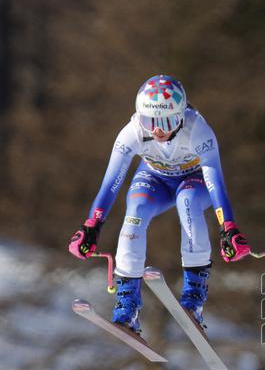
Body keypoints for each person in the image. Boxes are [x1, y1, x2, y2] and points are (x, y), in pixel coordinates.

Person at [68, 74, 250, 332]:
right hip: (155, 180)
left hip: (194, 181)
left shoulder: (198, 130)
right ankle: (127, 304)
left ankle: (193, 298)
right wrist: (92, 226)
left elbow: (215, 182)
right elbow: (110, 183)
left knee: (187, 201)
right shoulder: (131, 133)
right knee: (136, 210)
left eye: (165, 121)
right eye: (149, 121)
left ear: (181, 115)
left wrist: (228, 227)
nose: (157, 130)